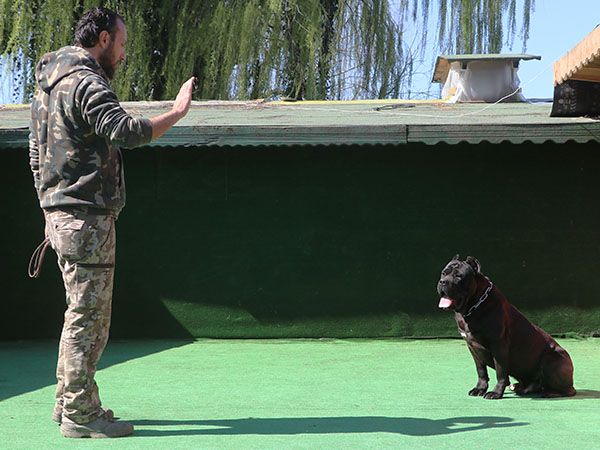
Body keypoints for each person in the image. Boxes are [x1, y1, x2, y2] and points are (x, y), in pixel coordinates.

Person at [28, 6, 194, 438]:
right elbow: (124, 131)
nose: (122, 54)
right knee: (89, 319)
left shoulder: (47, 84)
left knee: (76, 313)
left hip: (61, 217)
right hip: (85, 219)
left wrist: (49, 207)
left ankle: (67, 402)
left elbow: (35, 152)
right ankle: (81, 416)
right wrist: (176, 113)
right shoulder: (86, 80)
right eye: (120, 44)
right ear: (102, 38)